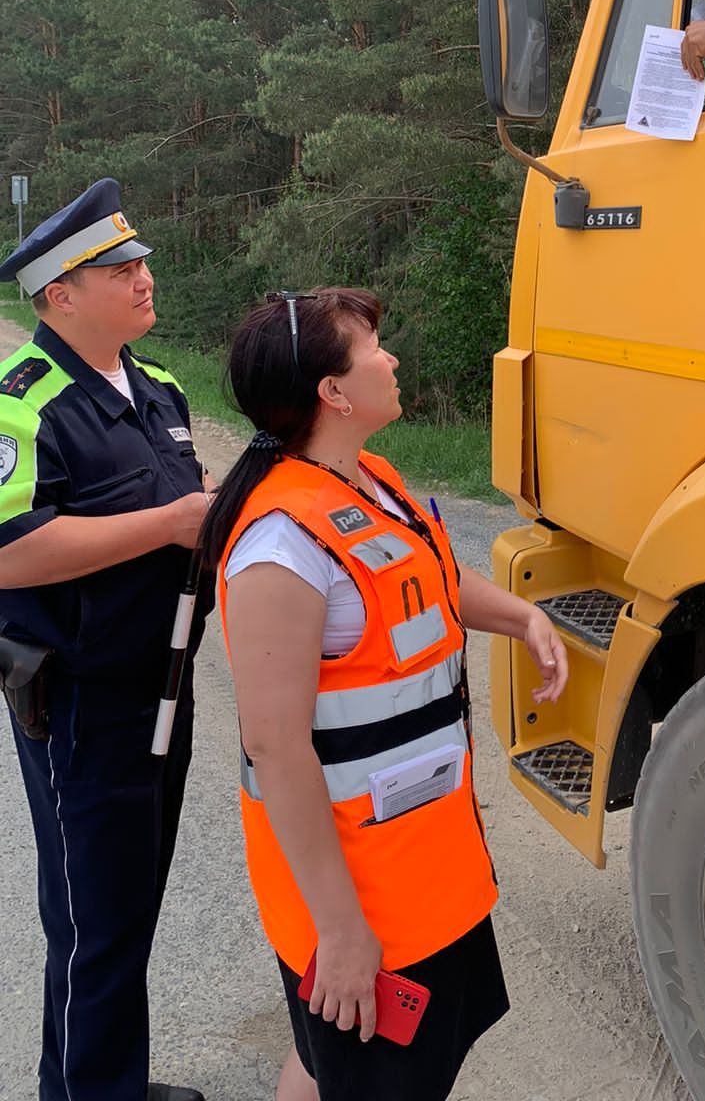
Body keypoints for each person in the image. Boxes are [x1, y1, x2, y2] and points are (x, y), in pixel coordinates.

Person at [194, 287, 568, 1101]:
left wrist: (520, 617)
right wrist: (340, 934)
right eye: (374, 349)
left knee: (342, 1065)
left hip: (429, 877)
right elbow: (275, 747)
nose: (391, 360)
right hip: (362, 905)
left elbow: (429, 578)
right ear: (333, 392)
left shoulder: (373, 481)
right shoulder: (280, 546)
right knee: (367, 1072)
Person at [0, 177, 211, 1101]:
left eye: (141, 260)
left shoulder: (159, 388)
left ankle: (99, 1081)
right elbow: (9, 554)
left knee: (129, 907)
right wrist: (167, 526)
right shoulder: (22, 402)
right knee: (93, 918)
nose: (142, 276)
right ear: (59, 296)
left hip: (164, 689)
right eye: (117, 266)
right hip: (83, 706)